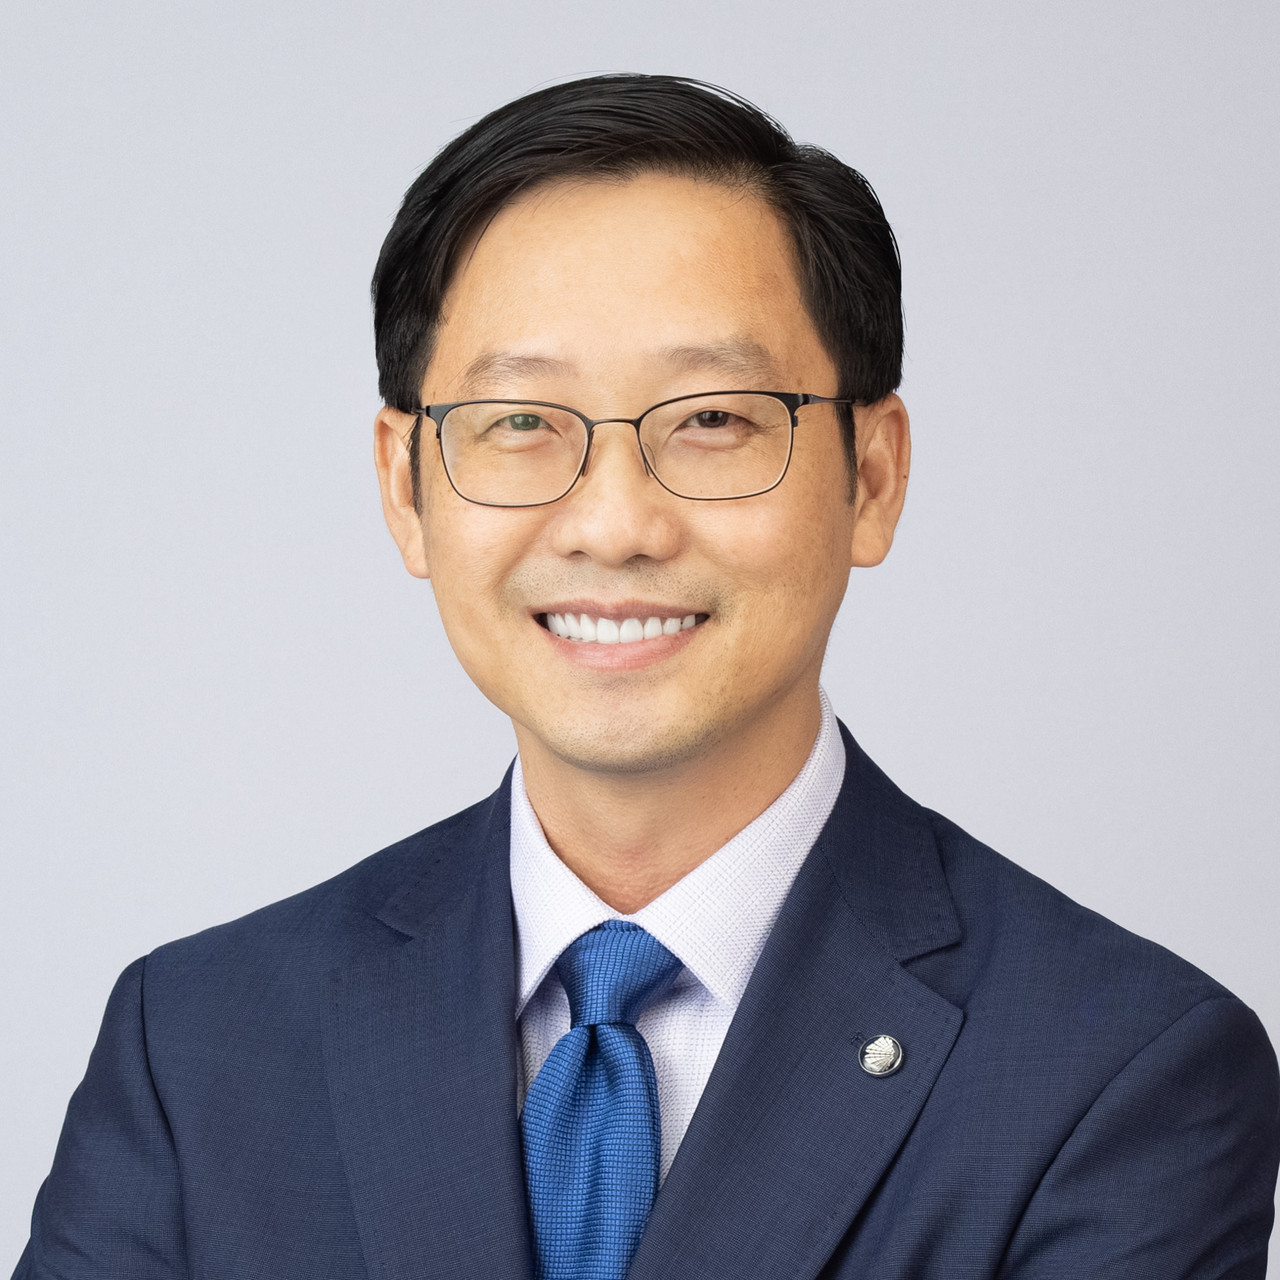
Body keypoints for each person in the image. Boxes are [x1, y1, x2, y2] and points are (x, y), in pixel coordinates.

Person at [14, 74, 1279, 1280]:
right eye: (519, 422)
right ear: (404, 487)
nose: (612, 523)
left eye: (713, 418)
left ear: (872, 475)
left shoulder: (1115, 1069)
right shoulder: (195, 1042)